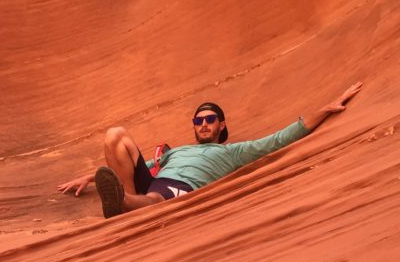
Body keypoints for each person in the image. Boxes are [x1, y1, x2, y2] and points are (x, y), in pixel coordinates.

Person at [57, 83, 363, 218]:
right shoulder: (176, 152)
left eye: (209, 120)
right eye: (198, 120)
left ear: (221, 126)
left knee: (153, 197)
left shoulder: (233, 152)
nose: (203, 124)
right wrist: (94, 177)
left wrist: (324, 109)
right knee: (115, 135)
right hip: (155, 180)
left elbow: (279, 139)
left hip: (180, 189)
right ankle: (123, 205)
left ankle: (125, 206)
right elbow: (144, 163)